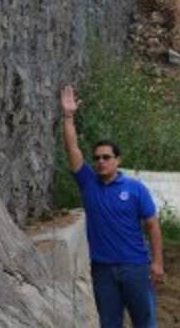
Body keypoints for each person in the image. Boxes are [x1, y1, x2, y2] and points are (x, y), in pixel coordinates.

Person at [61, 84, 164, 328]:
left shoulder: (135, 189)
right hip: (103, 271)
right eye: (97, 158)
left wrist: (157, 262)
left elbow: (152, 225)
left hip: (135, 268)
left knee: (145, 321)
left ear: (118, 160)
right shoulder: (88, 184)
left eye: (106, 157)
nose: (101, 162)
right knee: (109, 324)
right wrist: (68, 116)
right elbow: (72, 149)